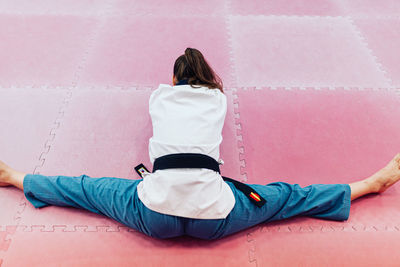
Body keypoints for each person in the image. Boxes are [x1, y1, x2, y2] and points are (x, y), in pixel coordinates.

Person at [1, 47, 400, 240]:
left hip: (153, 215)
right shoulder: (218, 99)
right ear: (209, 78)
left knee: (87, 189)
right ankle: (368, 184)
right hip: (216, 217)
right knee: (287, 197)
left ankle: (16, 178)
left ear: (173, 81)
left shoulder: (159, 95)